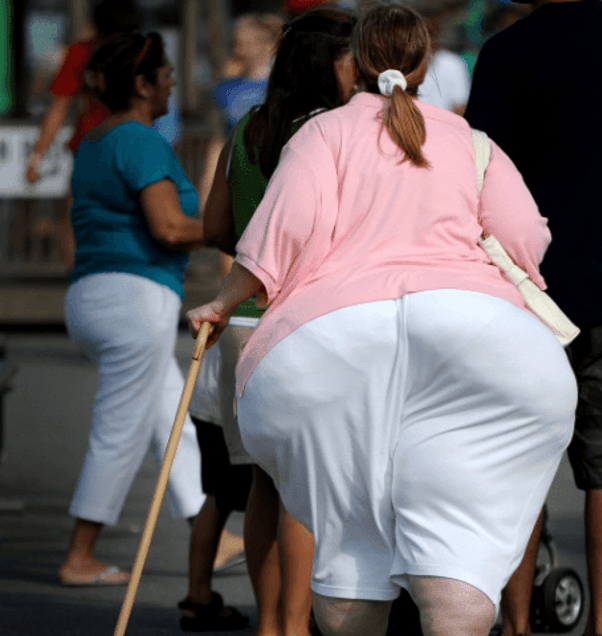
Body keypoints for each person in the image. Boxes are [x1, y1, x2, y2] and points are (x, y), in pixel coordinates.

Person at [188, 5, 577, 636]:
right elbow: (529, 237)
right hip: (477, 332)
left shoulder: (322, 134)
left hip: (335, 337)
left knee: (349, 554)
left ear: (357, 63)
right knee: (458, 555)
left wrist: (223, 302)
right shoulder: (469, 139)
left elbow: (278, 235)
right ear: (427, 63)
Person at [464, 1, 602, 634]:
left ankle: (516, 624)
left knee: (519, 462)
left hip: (526, 292)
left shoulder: (507, 51)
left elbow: (480, 169)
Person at [202, 9, 358, 636]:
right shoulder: (336, 132)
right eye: (355, 58)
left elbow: (216, 228)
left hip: (242, 323)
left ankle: (272, 624)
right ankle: (297, 624)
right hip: (309, 324)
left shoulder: (249, 127)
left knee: (266, 483)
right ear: (330, 64)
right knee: (308, 486)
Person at [60, 31, 207, 587]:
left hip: (94, 295)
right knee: (119, 431)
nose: (172, 82)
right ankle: (80, 555)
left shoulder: (94, 139)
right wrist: (233, 231)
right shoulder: (142, 141)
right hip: (133, 299)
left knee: (174, 419)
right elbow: (169, 227)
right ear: (144, 85)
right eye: (166, 75)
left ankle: (205, 528)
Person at [24, 0, 142, 267]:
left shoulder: (139, 54)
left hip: (123, 145)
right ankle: (81, 272)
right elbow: (59, 106)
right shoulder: (83, 53)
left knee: (96, 211)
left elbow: (59, 108)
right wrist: (37, 154)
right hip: (99, 144)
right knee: (78, 210)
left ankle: (99, 271)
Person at [180, 341, 252, 631]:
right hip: (239, 394)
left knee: (218, 495)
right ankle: (291, 611)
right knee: (276, 500)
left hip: (209, 392)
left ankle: (198, 596)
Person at [197, 13, 284, 210]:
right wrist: (207, 190)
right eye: (237, 42)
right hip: (237, 182)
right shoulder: (225, 90)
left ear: (266, 44)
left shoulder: (282, 87)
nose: (239, 48)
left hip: (274, 181)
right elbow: (218, 141)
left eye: (247, 42)